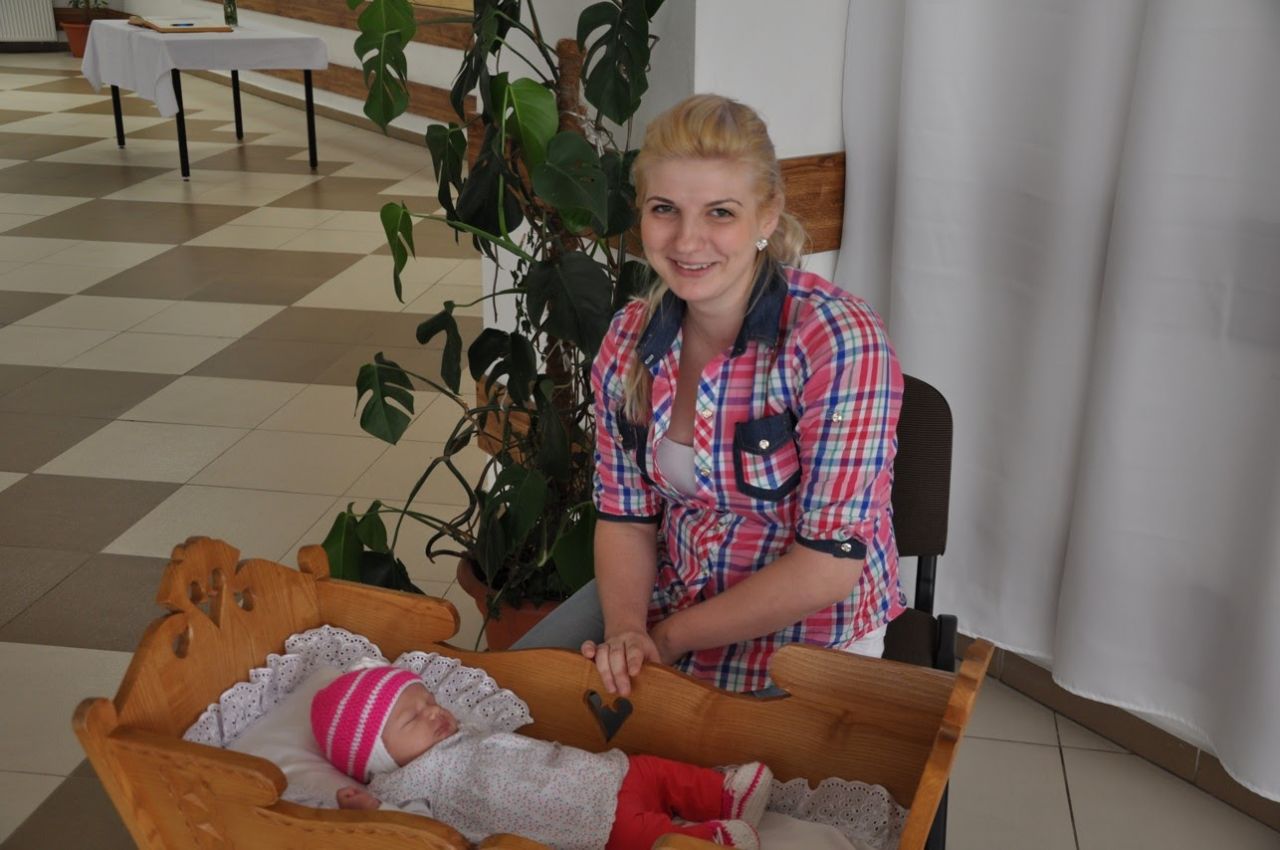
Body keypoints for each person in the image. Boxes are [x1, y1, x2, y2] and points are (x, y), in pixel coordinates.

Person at [513, 94, 905, 696]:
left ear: (767, 217)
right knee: (501, 703)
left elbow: (826, 568)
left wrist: (666, 640)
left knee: (684, 760)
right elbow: (626, 518)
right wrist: (626, 631)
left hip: (809, 630)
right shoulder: (628, 339)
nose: (688, 240)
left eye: (720, 212)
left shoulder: (835, 339)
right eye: (664, 209)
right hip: (668, 592)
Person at [311, 663, 773, 850]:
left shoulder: (458, 732)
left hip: (597, 774)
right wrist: (371, 810)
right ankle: (706, 841)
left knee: (651, 769)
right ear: (376, 755)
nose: (434, 712)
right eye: (413, 717)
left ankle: (723, 795)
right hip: (582, 821)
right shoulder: (402, 784)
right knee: (642, 836)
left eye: (430, 700)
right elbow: (415, 833)